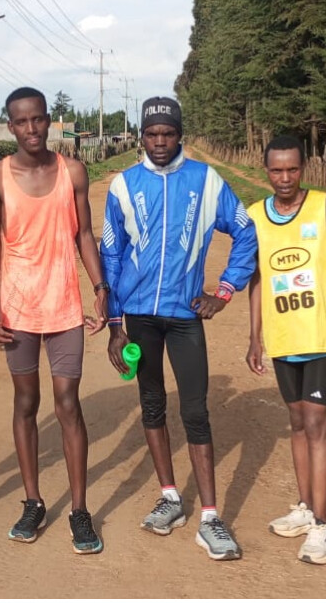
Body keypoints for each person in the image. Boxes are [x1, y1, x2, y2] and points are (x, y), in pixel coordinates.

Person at [101, 96, 256, 561]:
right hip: (139, 316)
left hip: (186, 315)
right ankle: (170, 497)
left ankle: (210, 517)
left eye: (168, 133)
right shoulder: (123, 185)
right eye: (152, 134)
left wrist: (224, 291)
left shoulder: (206, 181)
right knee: (151, 403)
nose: (160, 141)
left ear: (179, 135)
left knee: (195, 411)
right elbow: (111, 254)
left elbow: (245, 231)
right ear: (141, 137)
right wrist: (115, 324)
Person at [0, 86, 108, 555]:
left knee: (68, 403)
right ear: (10, 126)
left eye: (38, 119)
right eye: (21, 121)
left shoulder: (72, 172)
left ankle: (79, 510)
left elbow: (85, 234)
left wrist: (100, 287)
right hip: (17, 307)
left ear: (49, 120)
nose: (31, 129)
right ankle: (33, 501)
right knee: (26, 401)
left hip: (63, 304)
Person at [245, 134, 326, 566]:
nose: (285, 178)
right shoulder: (255, 217)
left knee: (316, 422)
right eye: (277, 170)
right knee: (295, 421)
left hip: (320, 335)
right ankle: (305, 507)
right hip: (283, 337)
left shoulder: (325, 207)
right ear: (266, 170)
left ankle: (322, 524)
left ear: (303, 168)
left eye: (292, 169)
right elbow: (256, 279)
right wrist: (255, 336)